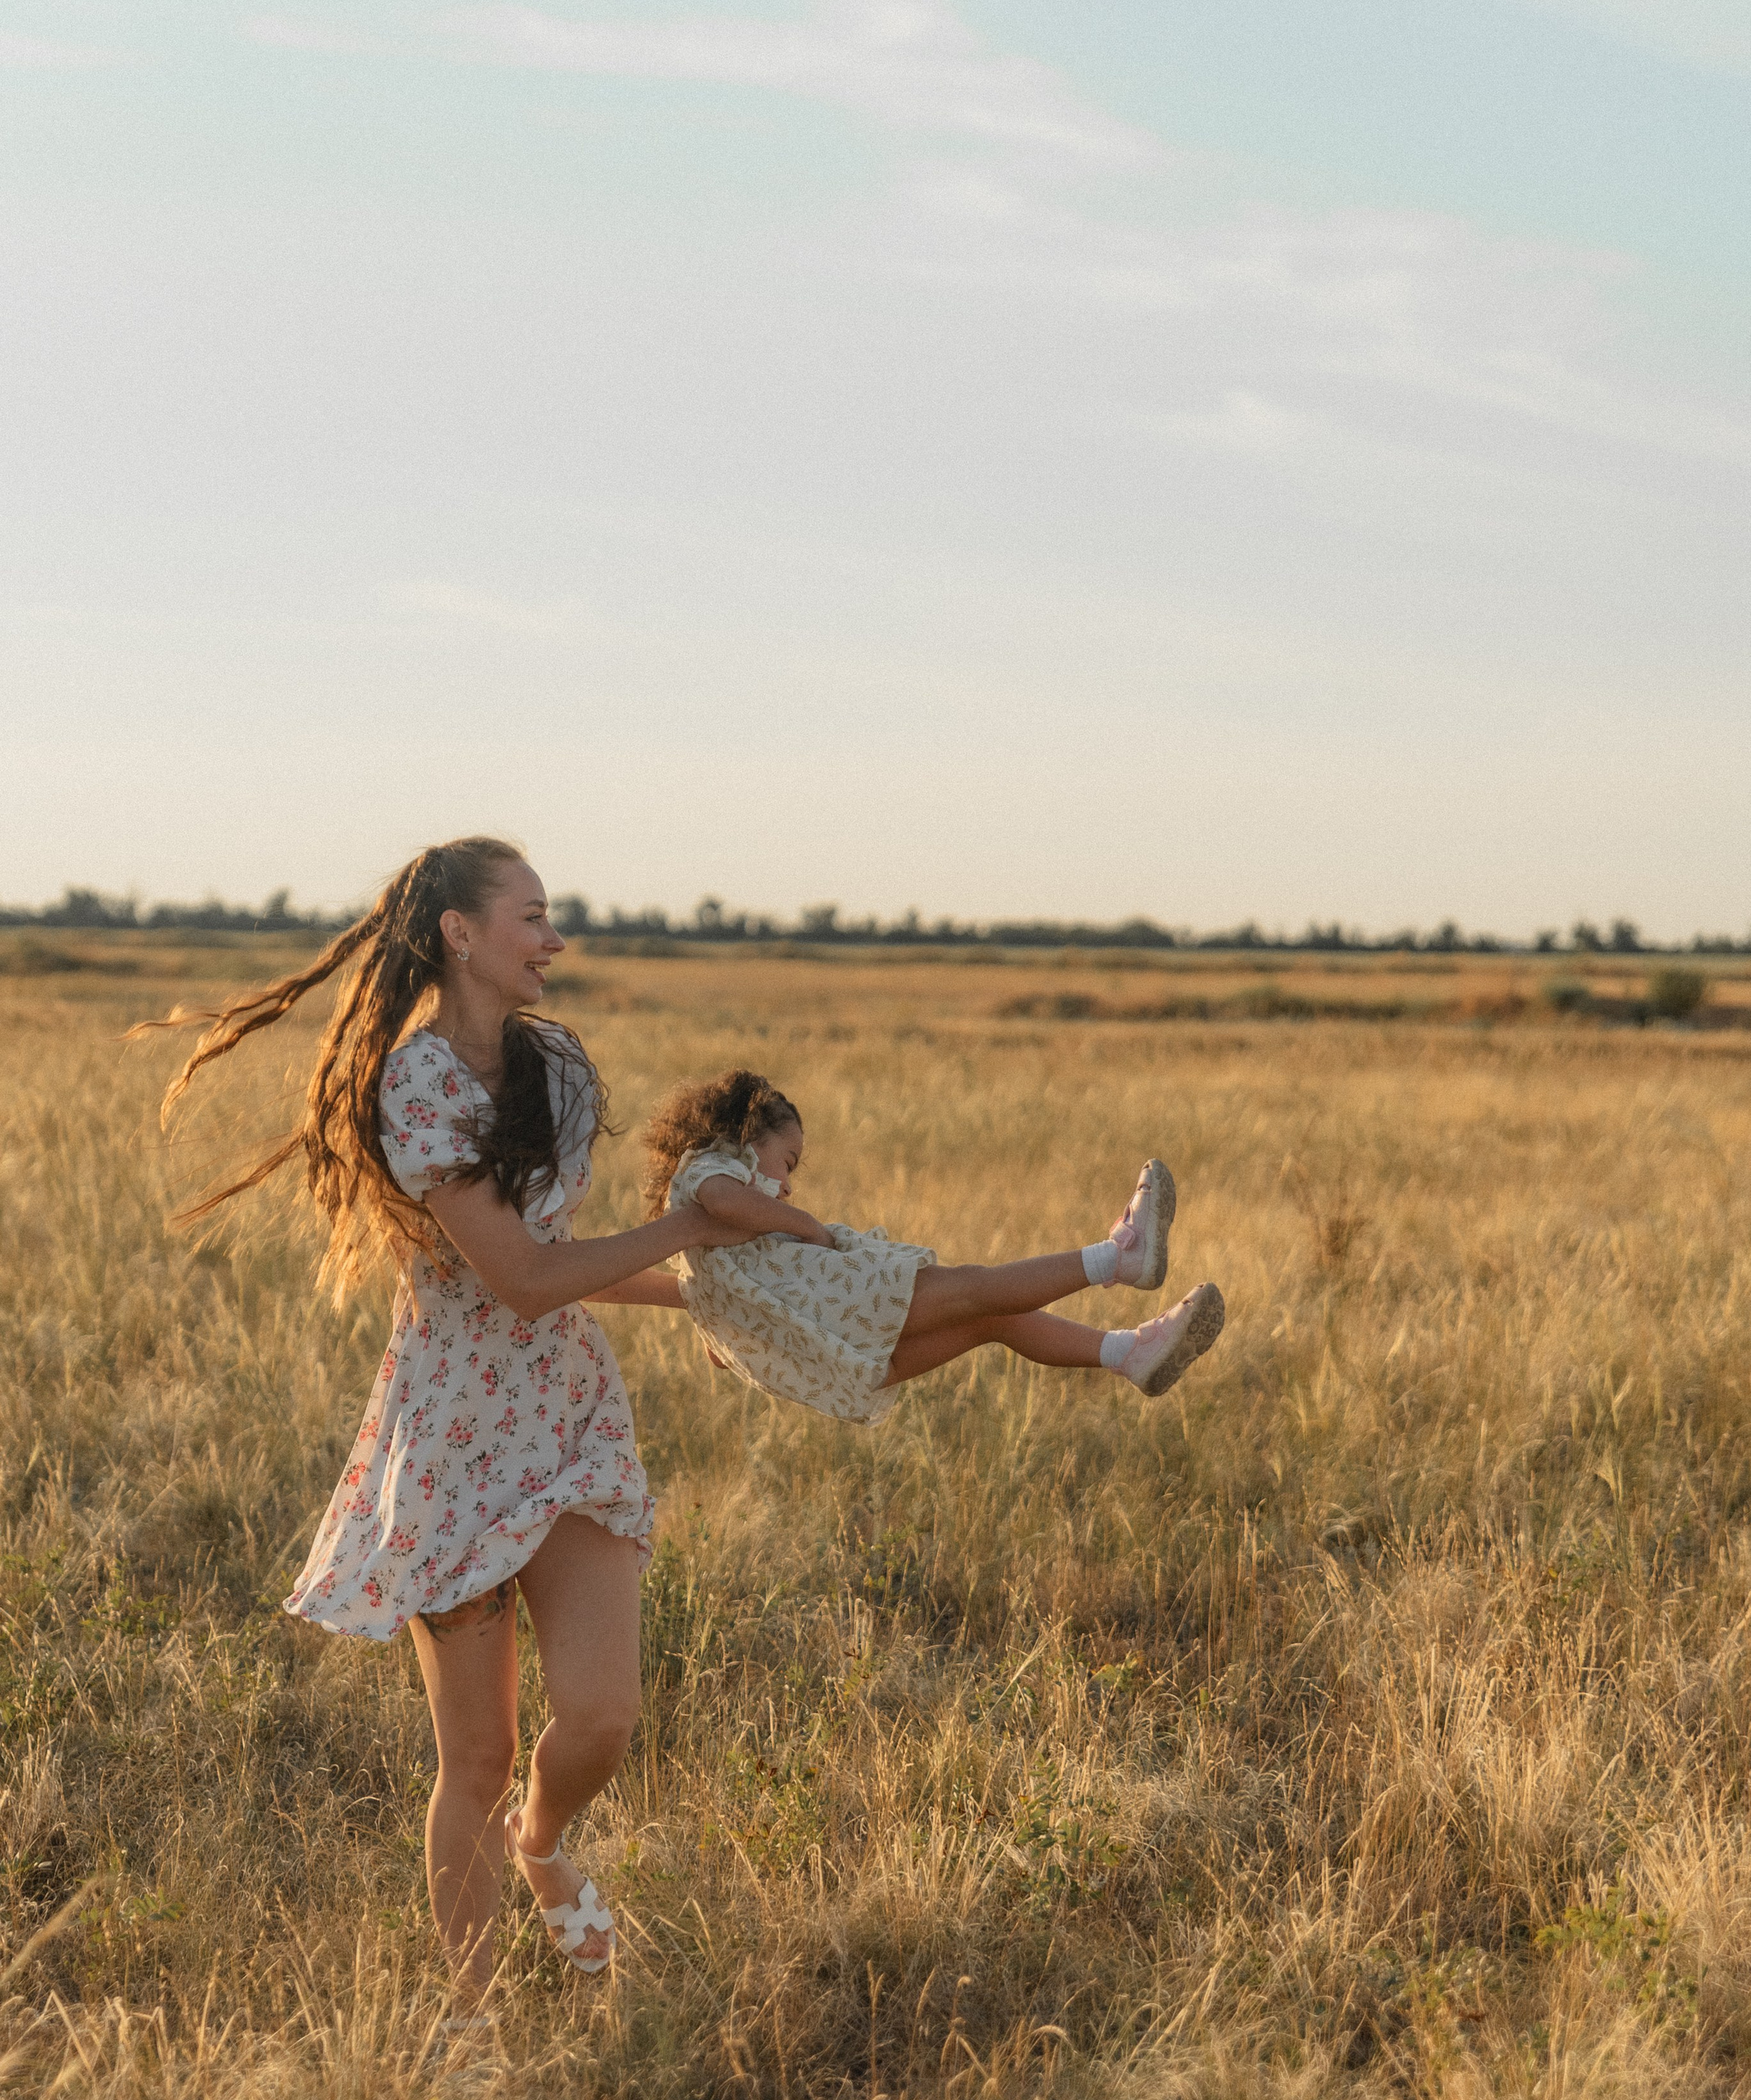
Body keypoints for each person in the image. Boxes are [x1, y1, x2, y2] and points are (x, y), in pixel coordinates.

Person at [138, 835, 717, 2006]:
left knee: (603, 1714)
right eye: (532, 916)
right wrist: (696, 1228)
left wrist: (706, 1297)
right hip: (455, 1435)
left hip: (567, 1414)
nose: (554, 939)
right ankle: (469, 2017)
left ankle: (543, 1845)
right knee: (480, 1754)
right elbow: (519, 1277)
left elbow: (564, 1261)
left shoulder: (558, 1065)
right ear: (460, 932)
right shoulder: (417, 1084)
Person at [643, 1069, 1226, 1425]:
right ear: (746, 1135)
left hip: (847, 1360)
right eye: (788, 1162)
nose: (789, 1184)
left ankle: (1130, 1354)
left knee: (994, 1319)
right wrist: (807, 1228)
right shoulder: (711, 1168)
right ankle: (1119, 1257)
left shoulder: (708, 1259)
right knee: (976, 1287)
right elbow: (721, 1197)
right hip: (855, 1310)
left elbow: (719, 1354)